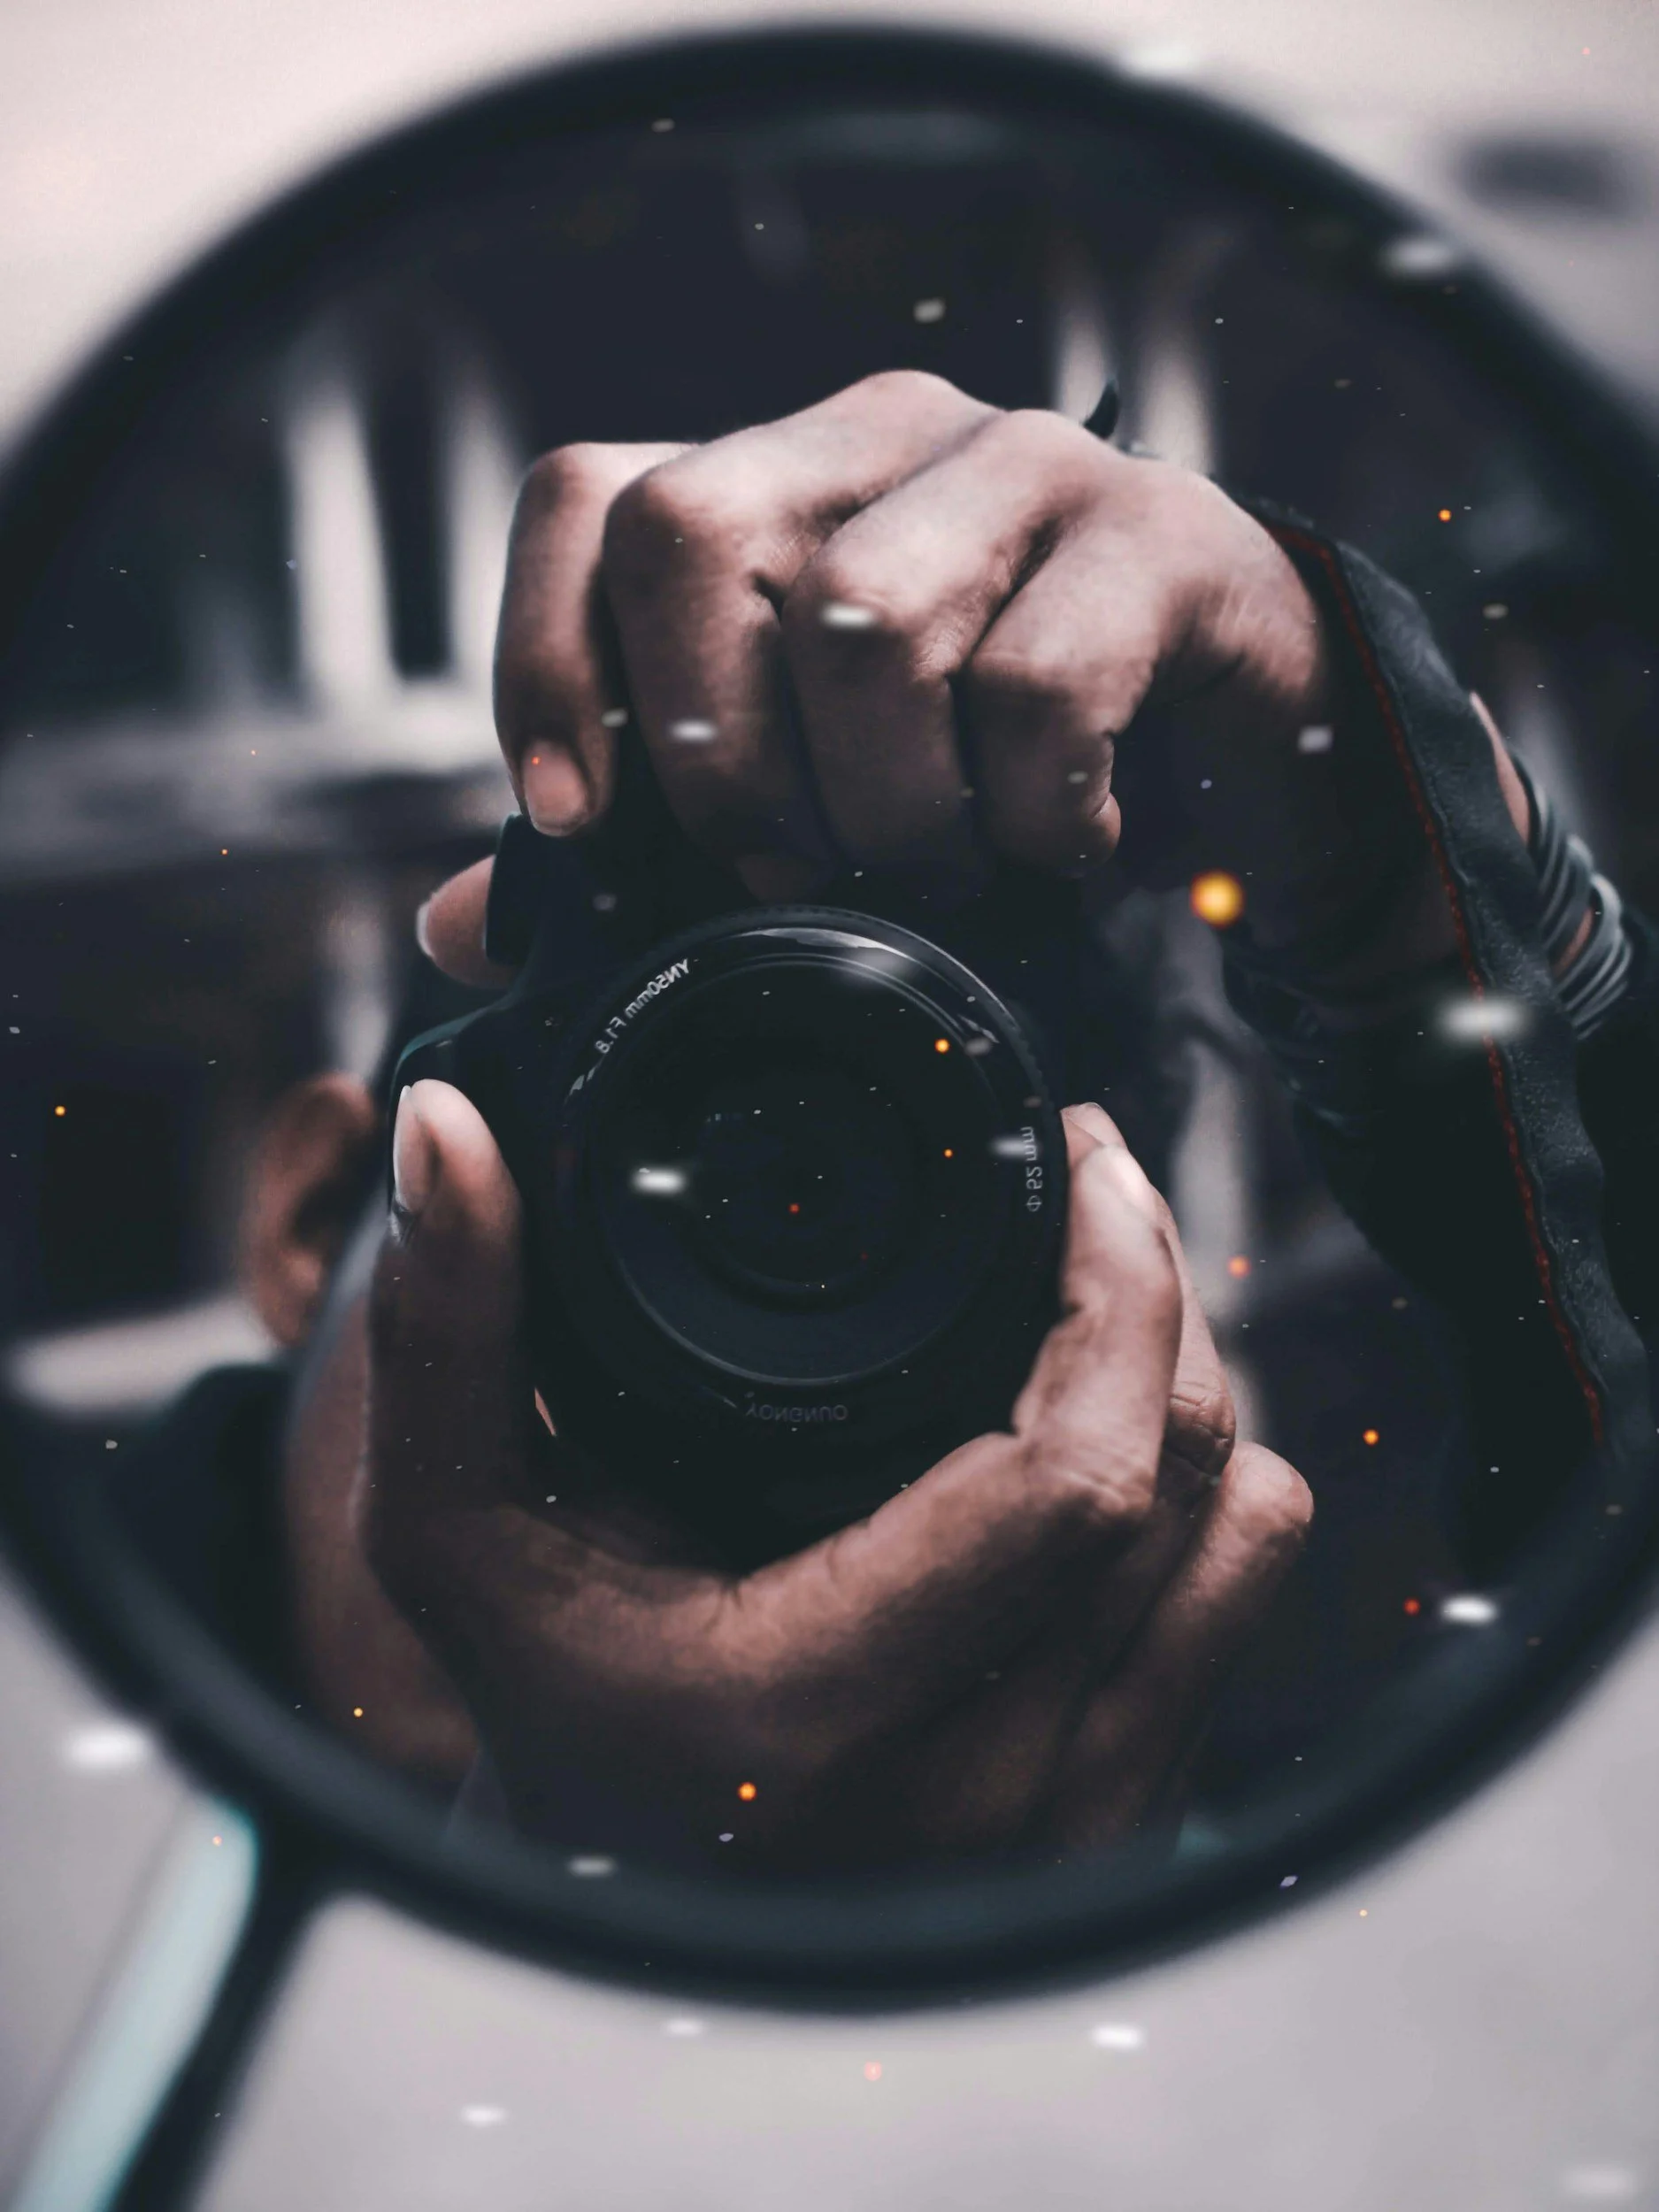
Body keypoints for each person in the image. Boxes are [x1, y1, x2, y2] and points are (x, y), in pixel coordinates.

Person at [172, 371, 1652, 1868]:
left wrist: (1406, 878)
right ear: (312, 1218)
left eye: (903, 1267)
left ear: (1118, 1331)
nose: (715, 1407)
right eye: (592, 1247)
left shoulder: (1333, 1786)